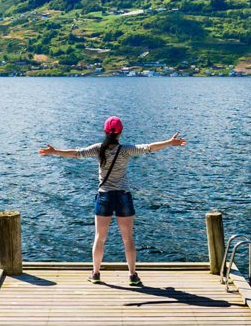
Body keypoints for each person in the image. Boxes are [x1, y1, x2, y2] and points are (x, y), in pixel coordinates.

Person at [39, 117, 186, 285]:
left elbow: (76, 153)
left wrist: (54, 151)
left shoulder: (98, 149)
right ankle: (132, 275)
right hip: (123, 196)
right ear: (120, 133)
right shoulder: (126, 150)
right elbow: (149, 148)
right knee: (128, 239)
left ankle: (95, 274)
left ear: (105, 131)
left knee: (99, 238)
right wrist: (170, 142)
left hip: (105, 197)